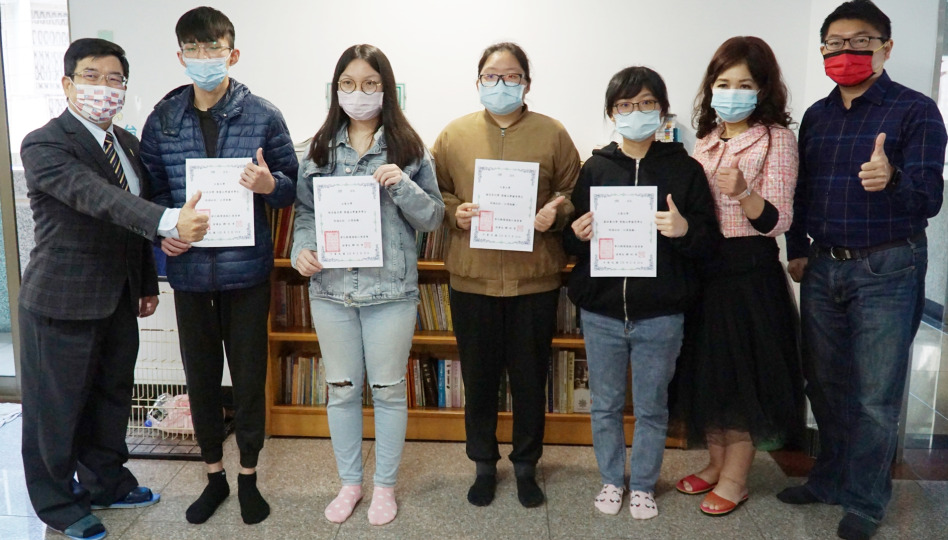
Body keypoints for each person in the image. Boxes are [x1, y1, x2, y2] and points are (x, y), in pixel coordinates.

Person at [19, 38, 209, 540]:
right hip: (62, 299)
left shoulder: (125, 143)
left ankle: (106, 483)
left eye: (114, 79)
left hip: (119, 295)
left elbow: (130, 223)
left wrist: (147, 278)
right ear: (67, 83)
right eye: (91, 76)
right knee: (57, 410)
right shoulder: (45, 144)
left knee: (111, 399)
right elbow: (96, 197)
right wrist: (168, 220)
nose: (103, 87)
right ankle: (58, 504)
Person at [779, 2, 947, 539]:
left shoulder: (916, 110)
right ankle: (829, 479)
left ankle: (866, 500)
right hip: (824, 265)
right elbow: (801, 190)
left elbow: (930, 198)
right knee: (824, 384)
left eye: (860, 41)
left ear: (885, 48)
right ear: (823, 49)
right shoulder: (817, 115)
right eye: (835, 43)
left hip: (889, 266)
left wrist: (891, 178)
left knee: (875, 395)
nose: (846, 52)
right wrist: (796, 247)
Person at [139, 6, 298, 526]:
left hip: (246, 273)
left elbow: (291, 187)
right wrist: (164, 234)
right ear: (180, 55)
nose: (204, 56)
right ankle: (213, 476)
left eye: (214, 47)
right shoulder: (163, 119)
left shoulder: (264, 115)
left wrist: (270, 185)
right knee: (201, 379)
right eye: (194, 48)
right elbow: (150, 196)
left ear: (233, 53)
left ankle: (248, 475)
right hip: (189, 275)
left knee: (249, 380)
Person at [291, 44, 444, 526]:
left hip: (390, 292)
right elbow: (305, 212)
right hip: (331, 291)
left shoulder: (410, 149)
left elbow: (432, 217)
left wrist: (402, 183)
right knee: (341, 390)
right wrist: (301, 249)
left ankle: (385, 487)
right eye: (349, 84)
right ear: (336, 89)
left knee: (389, 391)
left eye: (370, 84)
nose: (359, 93)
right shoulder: (316, 149)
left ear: (386, 89)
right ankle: (350, 483)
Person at [563, 66, 720, 520]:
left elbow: (706, 241)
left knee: (653, 407)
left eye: (647, 103)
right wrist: (576, 233)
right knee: (606, 405)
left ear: (662, 110)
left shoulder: (686, 170)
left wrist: (683, 229)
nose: (637, 112)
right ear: (613, 113)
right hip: (603, 313)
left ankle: (645, 485)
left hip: (661, 314)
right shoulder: (595, 168)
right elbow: (572, 240)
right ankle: (612, 480)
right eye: (626, 105)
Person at [432, 42, 580, 508]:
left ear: (527, 83)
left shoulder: (553, 133)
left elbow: (573, 189)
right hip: (472, 278)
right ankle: (482, 464)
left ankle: (526, 466)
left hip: (533, 279)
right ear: (478, 82)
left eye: (512, 76)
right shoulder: (453, 134)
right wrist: (454, 211)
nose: (501, 84)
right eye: (492, 76)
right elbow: (435, 191)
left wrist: (556, 211)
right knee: (479, 380)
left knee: (530, 379)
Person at [676, 36, 804, 517]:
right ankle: (716, 463)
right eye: (724, 83)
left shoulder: (776, 139)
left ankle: (736, 478)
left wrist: (745, 192)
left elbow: (779, 219)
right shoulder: (706, 140)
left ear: (762, 88)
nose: (732, 93)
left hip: (748, 272)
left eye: (744, 84)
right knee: (708, 374)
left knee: (742, 377)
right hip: (704, 268)